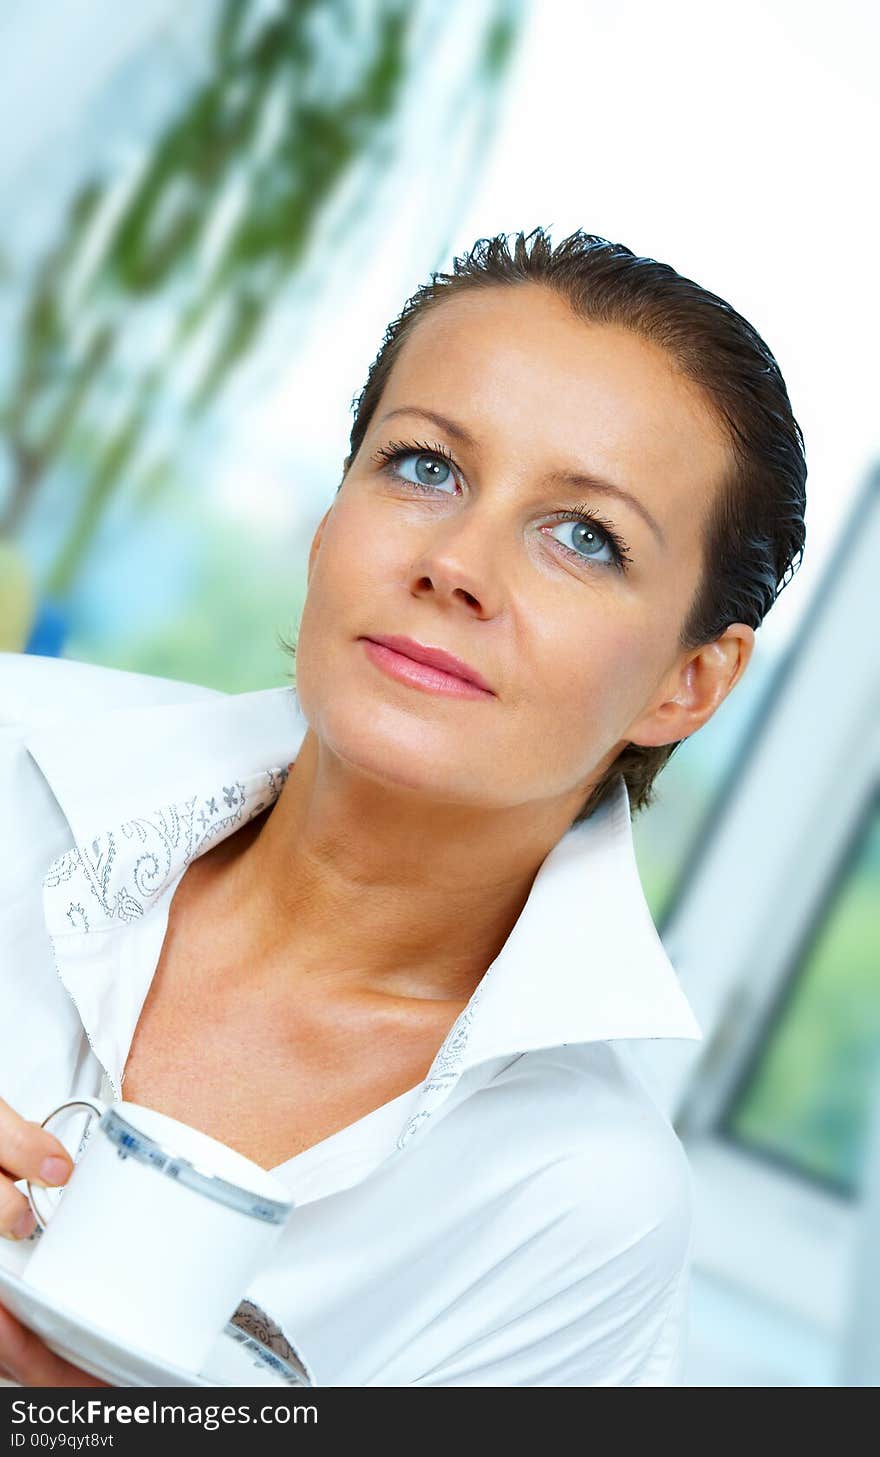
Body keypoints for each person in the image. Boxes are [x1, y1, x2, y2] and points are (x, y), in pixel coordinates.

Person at [0, 228, 807, 1387]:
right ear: (333, 514)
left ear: (689, 681)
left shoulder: (580, 1203)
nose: (457, 563)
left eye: (585, 537)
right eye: (425, 465)